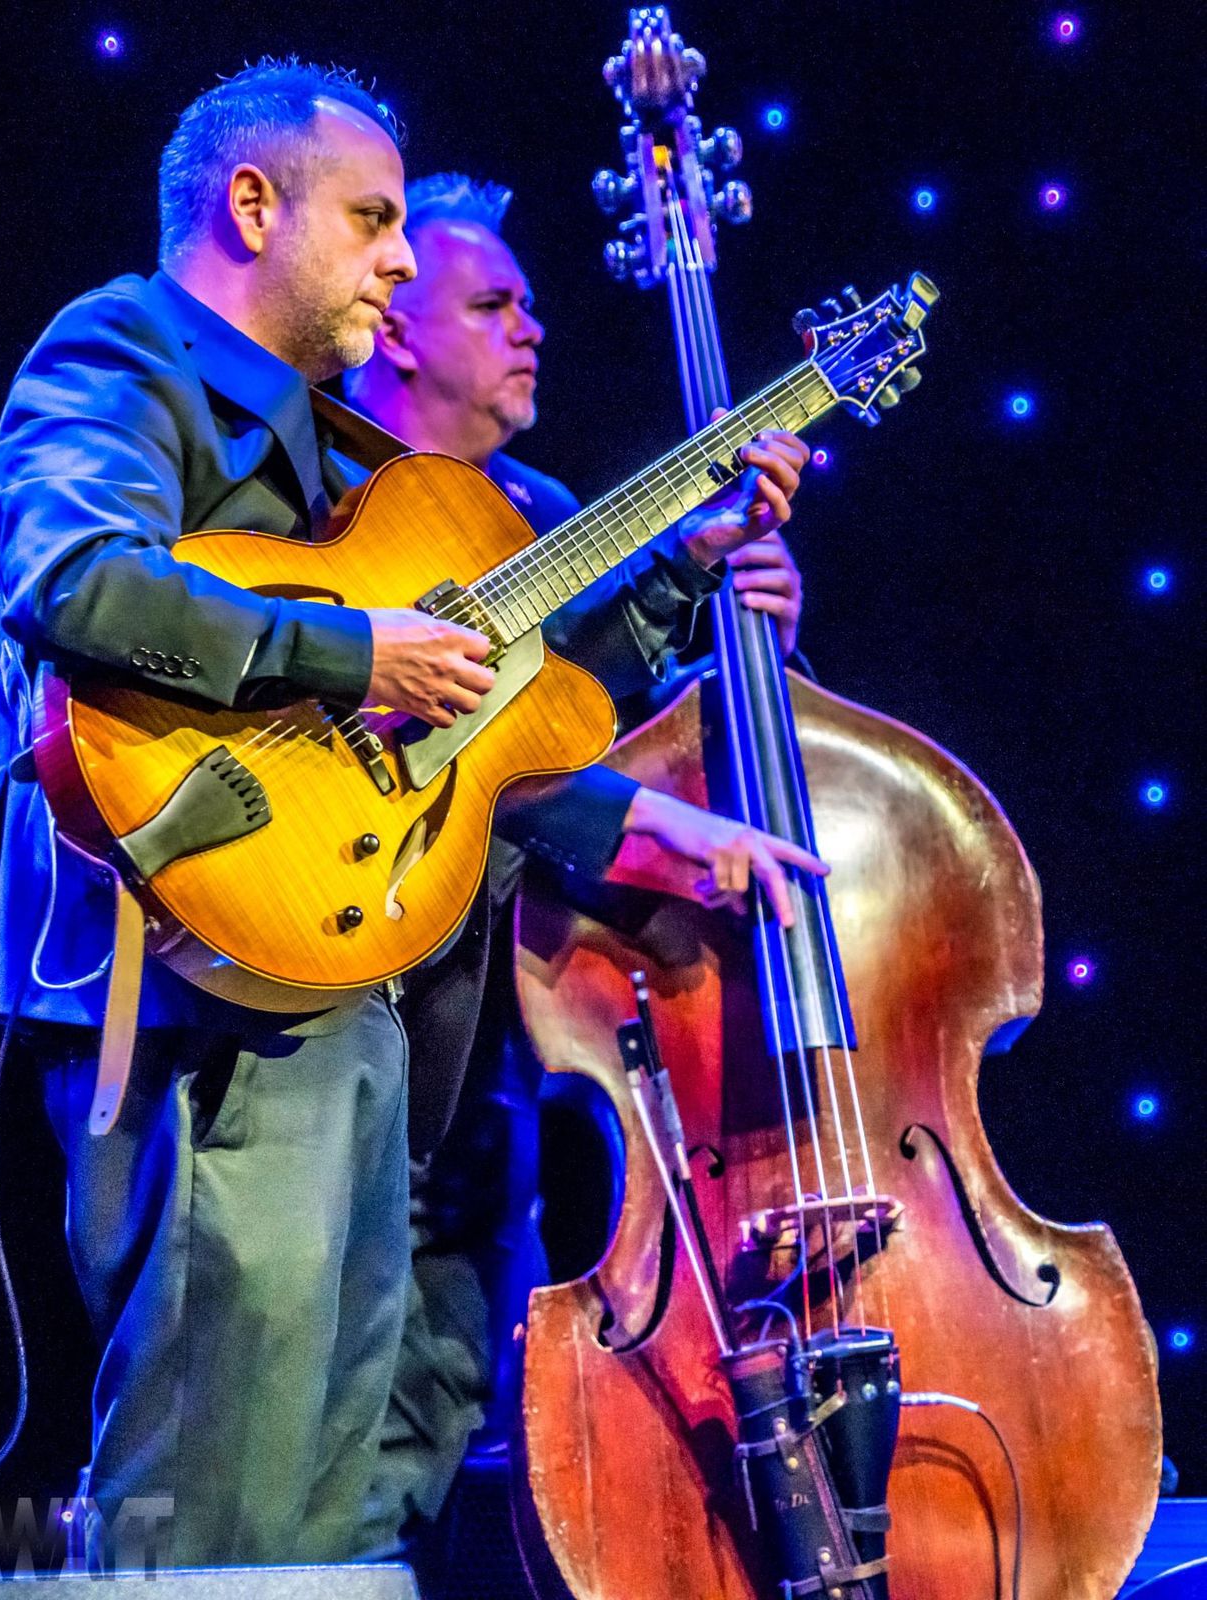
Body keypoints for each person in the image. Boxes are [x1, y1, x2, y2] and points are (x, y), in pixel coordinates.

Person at [0, 68, 810, 1571]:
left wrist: (681, 566)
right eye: (373, 219)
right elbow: (74, 580)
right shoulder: (123, 348)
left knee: (333, 1491)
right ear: (252, 206)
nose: (399, 261)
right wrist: (348, 652)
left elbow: (506, 717)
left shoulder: (342, 455)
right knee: (224, 1485)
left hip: (329, 979)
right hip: (181, 974)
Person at [342, 174, 820, 1558]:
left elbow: (597, 735)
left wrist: (744, 638)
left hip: (512, 1038)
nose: (532, 329)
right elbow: (472, 755)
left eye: (531, 304)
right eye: (493, 305)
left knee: (437, 1412)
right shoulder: (323, 512)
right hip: (354, 1003)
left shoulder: (546, 511)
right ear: (399, 328)